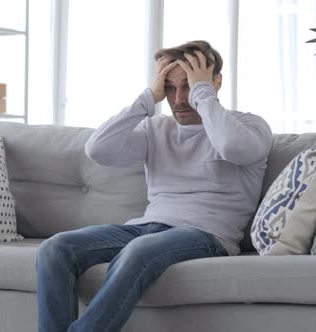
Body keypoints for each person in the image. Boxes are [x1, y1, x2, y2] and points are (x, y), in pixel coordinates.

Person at [36, 40, 273, 332]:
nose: (180, 99)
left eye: (190, 85)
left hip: (207, 235)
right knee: (55, 248)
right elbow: (97, 149)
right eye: (170, 88)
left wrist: (204, 95)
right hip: (147, 226)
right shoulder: (156, 128)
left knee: (138, 251)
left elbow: (231, 147)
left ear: (216, 82)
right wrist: (148, 97)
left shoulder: (249, 127)